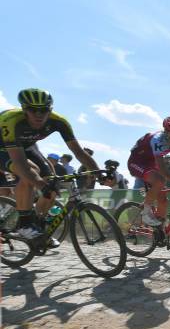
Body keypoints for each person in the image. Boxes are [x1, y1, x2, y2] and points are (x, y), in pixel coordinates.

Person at [0, 88, 99, 238]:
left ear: (50, 109)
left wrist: (98, 172)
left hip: (28, 146)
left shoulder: (59, 121)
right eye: (33, 110)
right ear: (24, 109)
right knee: (30, 173)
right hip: (4, 149)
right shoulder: (11, 120)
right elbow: (20, 162)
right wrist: (40, 184)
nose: (39, 115)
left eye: (44, 110)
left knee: (52, 185)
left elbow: (78, 152)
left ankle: (38, 227)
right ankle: (24, 225)